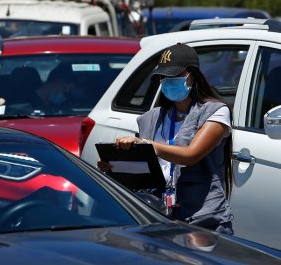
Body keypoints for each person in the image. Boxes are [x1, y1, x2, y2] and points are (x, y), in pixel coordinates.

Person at [98, 43, 234, 235]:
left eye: (174, 75)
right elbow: (144, 172)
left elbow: (190, 155)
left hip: (203, 221)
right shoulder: (151, 118)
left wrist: (147, 145)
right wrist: (116, 167)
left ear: (192, 76)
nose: (168, 81)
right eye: (164, 76)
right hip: (158, 218)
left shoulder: (216, 112)